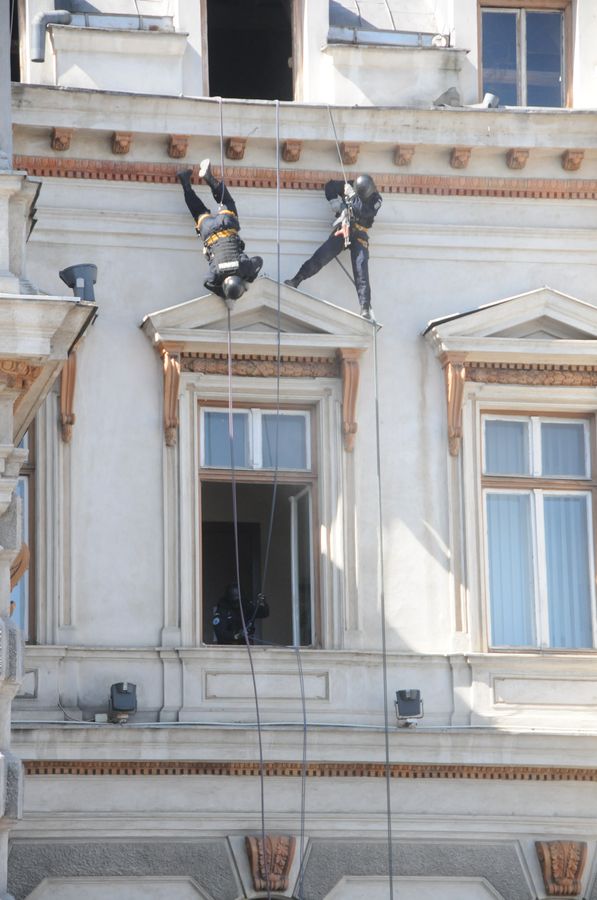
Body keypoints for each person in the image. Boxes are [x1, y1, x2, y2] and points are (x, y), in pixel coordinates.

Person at [285, 175, 382, 319]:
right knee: (322, 255)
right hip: (345, 228)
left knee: (361, 269)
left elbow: (363, 211)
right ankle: (297, 279)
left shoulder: (376, 199)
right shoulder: (350, 185)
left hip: (360, 235)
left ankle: (365, 307)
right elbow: (330, 186)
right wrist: (335, 202)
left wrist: (352, 196)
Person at [177, 159, 263, 302]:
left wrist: (249, 277)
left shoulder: (244, 268)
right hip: (208, 231)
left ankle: (209, 177)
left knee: (227, 202)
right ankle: (184, 180)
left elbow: (259, 261)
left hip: (227, 224)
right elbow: (207, 283)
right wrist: (222, 293)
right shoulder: (216, 274)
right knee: (199, 211)